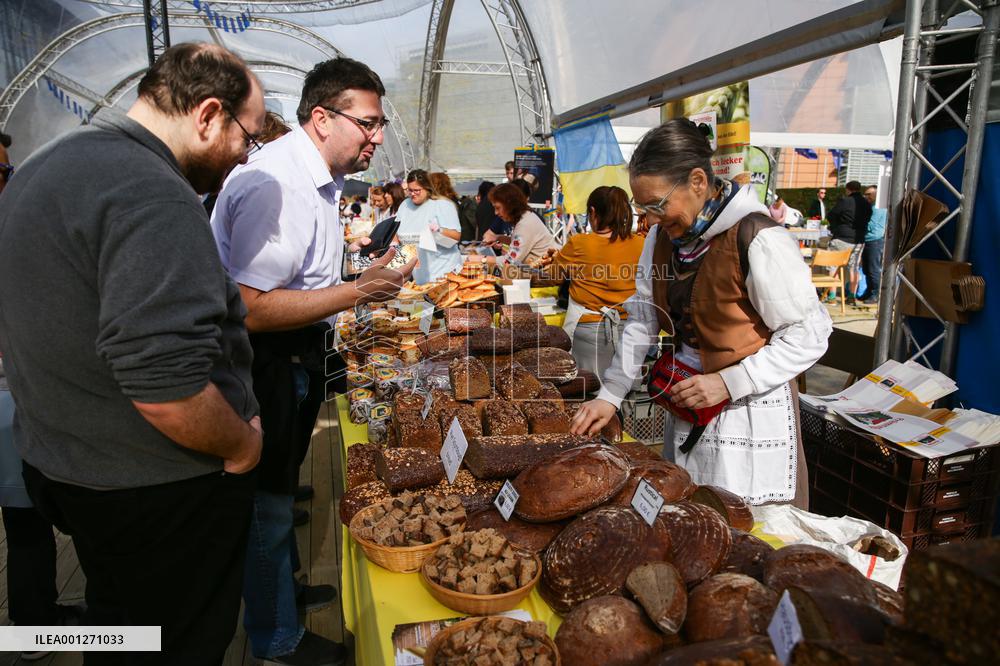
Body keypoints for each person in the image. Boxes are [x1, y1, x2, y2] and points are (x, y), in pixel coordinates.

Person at [0, 43, 265, 665]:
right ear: (207, 115)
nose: (242, 156)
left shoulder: (44, 166)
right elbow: (165, 385)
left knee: (118, 631)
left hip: (70, 471)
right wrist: (241, 445)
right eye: (246, 137)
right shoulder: (153, 192)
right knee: (179, 644)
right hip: (155, 492)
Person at [212, 56, 414, 666]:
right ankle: (275, 637)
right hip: (262, 364)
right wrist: (361, 291)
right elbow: (249, 305)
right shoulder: (278, 182)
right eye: (369, 123)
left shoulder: (313, 177)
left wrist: (354, 279)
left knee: (277, 493)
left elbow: (301, 277)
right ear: (322, 118)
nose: (377, 138)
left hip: (295, 359)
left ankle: (284, 595)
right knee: (268, 502)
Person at [570, 119, 831, 509]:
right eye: (644, 208)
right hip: (689, 405)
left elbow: (810, 333)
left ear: (697, 181)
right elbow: (643, 318)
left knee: (743, 527)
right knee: (691, 517)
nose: (651, 219)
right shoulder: (659, 239)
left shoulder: (758, 238)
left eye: (657, 205)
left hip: (748, 412)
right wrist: (611, 394)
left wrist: (731, 381)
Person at [542, 185, 645, 377]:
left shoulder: (579, 243)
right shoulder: (641, 243)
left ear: (593, 212)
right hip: (631, 329)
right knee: (622, 392)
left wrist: (562, 262)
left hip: (590, 331)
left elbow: (554, 277)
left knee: (589, 394)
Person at [395, 168, 463, 283]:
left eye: (417, 190)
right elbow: (396, 232)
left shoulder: (443, 205)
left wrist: (438, 232)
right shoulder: (405, 205)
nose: (412, 194)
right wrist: (394, 246)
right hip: (419, 275)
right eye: (410, 190)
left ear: (427, 188)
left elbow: (455, 237)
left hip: (444, 273)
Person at [481, 182, 556, 271]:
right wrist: (498, 237)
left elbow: (509, 262)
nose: (495, 213)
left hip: (545, 275)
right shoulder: (525, 217)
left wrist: (482, 259)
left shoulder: (525, 224)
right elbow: (519, 242)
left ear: (509, 205)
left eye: (498, 208)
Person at [826, 180, 872, 302]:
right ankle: (852, 296)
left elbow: (831, 215)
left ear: (848, 189)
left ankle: (831, 296)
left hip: (842, 237)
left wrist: (836, 227)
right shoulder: (867, 204)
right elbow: (868, 218)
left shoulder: (845, 201)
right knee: (854, 268)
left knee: (834, 266)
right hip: (859, 240)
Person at [859, 185, 886, 305]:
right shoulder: (872, 207)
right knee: (866, 268)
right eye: (865, 194)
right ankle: (870, 291)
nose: (866, 197)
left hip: (874, 240)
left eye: (869, 194)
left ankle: (875, 293)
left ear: (876, 194)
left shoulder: (877, 208)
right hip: (870, 240)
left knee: (873, 268)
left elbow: (871, 225)